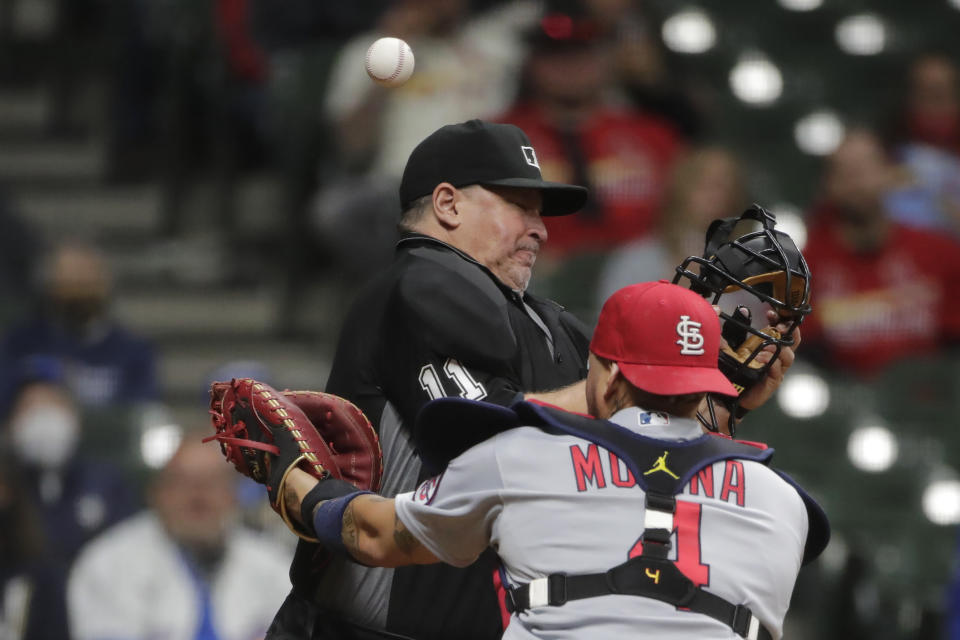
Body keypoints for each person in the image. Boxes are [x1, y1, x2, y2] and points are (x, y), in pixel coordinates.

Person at [268, 120, 801, 640]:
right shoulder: (425, 282)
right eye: (519, 207)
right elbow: (486, 441)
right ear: (448, 204)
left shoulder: (547, 321)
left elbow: (635, 448)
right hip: (362, 625)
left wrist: (710, 398)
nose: (540, 228)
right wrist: (646, 380)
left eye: (540, 213)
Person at [278, 281, 829, 640]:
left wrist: (294, 483)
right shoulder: (786, 506)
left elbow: (372, 535)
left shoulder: (520, 458)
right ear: (705, 384)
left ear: (610, 375)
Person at [68, 432, 291, 640]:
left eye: (212, 482)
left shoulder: (273, 565)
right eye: (184, 481)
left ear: (233, 495)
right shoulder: (107, 563)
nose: (198, 496)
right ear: (157, 492)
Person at [801, 127, 960, 377]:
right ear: (827, 186)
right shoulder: (804, 268)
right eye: (844, 173)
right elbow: (805, 355)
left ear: (889, 173)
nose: (856, 183)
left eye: (864, 169)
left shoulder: (942, 253)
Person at [0, 241, 159, 413]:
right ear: (50, 285)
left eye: (85, 278)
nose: (78, 287)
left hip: (109, 437)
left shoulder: (133, 350)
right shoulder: (20, 343)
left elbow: (141, 412)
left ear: (104, 283)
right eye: (68, 279)